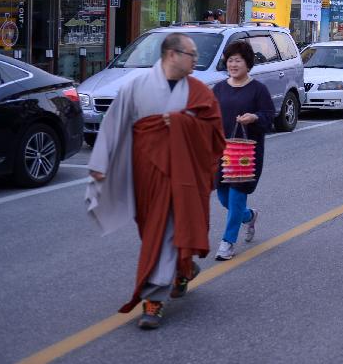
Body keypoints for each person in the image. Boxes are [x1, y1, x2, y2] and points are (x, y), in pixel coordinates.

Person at [86, 33, 225, 329]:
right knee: (153, 228)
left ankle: (153, 299)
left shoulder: (199, 91)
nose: (196, 59)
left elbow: (215, 133)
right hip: (147, 171)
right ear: (172, 55)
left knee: (167, 230)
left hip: (184, 173)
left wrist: (182, 122)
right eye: (191, 54)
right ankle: (182, 269)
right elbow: (114, 123)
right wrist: (100, 164)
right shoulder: (137, 86)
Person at [211, 41, 275, 262]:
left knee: (237, 195)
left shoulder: (258, 90)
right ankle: (249, 216)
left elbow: (269, 117)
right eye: (230, 60)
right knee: (223, 197)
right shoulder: (218, 89)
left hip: (248, 154)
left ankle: (227, 243)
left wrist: (255, 117)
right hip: (222, 152)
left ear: (248, 63)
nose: (233, 64)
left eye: (238, 60)